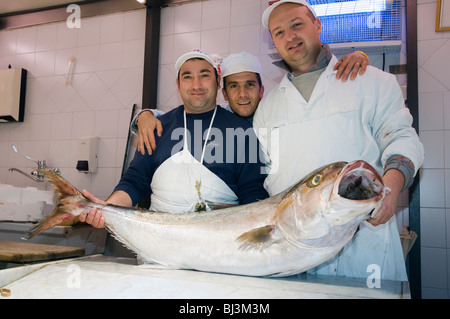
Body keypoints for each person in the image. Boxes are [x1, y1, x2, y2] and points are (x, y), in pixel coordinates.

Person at [253, 0, 424, 281]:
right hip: (295, 249)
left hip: (363, 240)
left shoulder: (371, 81)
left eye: (297, 25)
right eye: (279, 32)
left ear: (317, 25)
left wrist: (391, 187)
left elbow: (402, 138)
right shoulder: (267, 108)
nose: (290, 37)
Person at [79, 49, 269, 227]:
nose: (196, 85)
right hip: (158, 248)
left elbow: (253, 193)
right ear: (178, 85)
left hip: (217, 248)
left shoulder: (243, 132)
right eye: (188, 77)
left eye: (204, 75)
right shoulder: (157, 127)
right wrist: (108, 208)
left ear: (218, 83)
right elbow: (135, 181)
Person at [133, 49, 368, 156]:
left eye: (250, 85)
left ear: (262, 89)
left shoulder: (279, 109)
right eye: (233, 86)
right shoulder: (221, 115)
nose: (243, 95)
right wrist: (145, 115)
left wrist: (360, 57)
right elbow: (184, 114)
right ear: (223, 93)